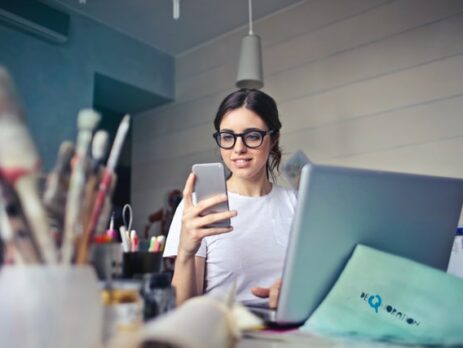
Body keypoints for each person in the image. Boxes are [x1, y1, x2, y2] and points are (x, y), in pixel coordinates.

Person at [163, 88, 297, 307]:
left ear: (273, 139)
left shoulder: (297, 203)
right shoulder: (199, 208)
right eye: (228, 137)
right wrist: (186, 251)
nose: (238, 148)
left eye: (252, 136)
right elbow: (184, 308)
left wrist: (294, 291)